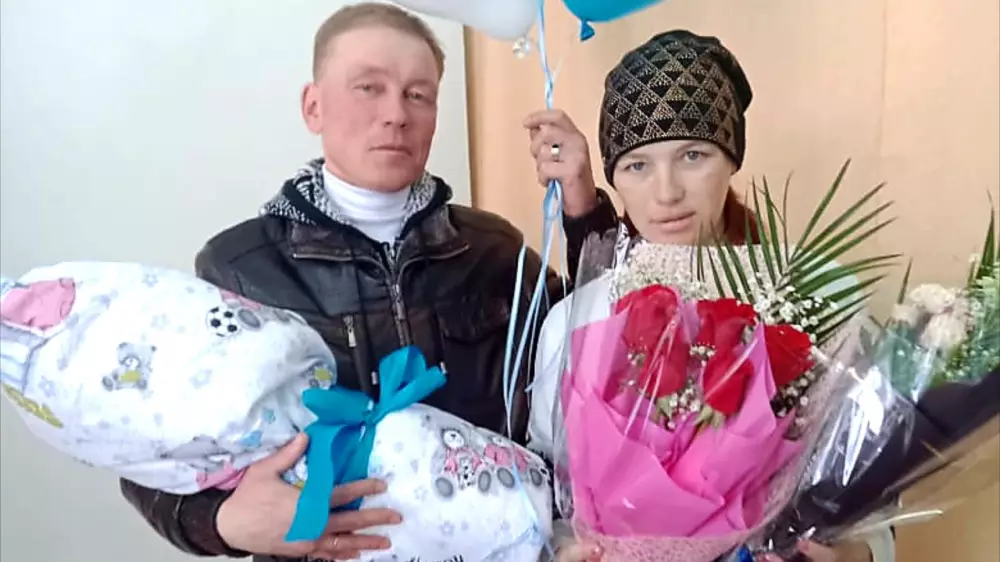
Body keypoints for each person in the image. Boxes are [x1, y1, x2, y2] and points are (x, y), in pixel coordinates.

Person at [117, 4, 609, 561]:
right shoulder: (240, 267)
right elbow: (149, 444)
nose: (396, 114)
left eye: (418, 95)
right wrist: (222, 520)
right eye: (369, 88)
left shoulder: (492, 249)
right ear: (313, 106)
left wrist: (582, 209)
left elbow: (603, 359)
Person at [522, 30, 895, 562]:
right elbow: (549, 492)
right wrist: (565, 550)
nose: (667, 191)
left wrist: (857, 555)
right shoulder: (577, 319)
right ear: (614, 177)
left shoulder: (817, 295)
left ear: (732, 158)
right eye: (637, 165)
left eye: (693, 155)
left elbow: (878, 494)